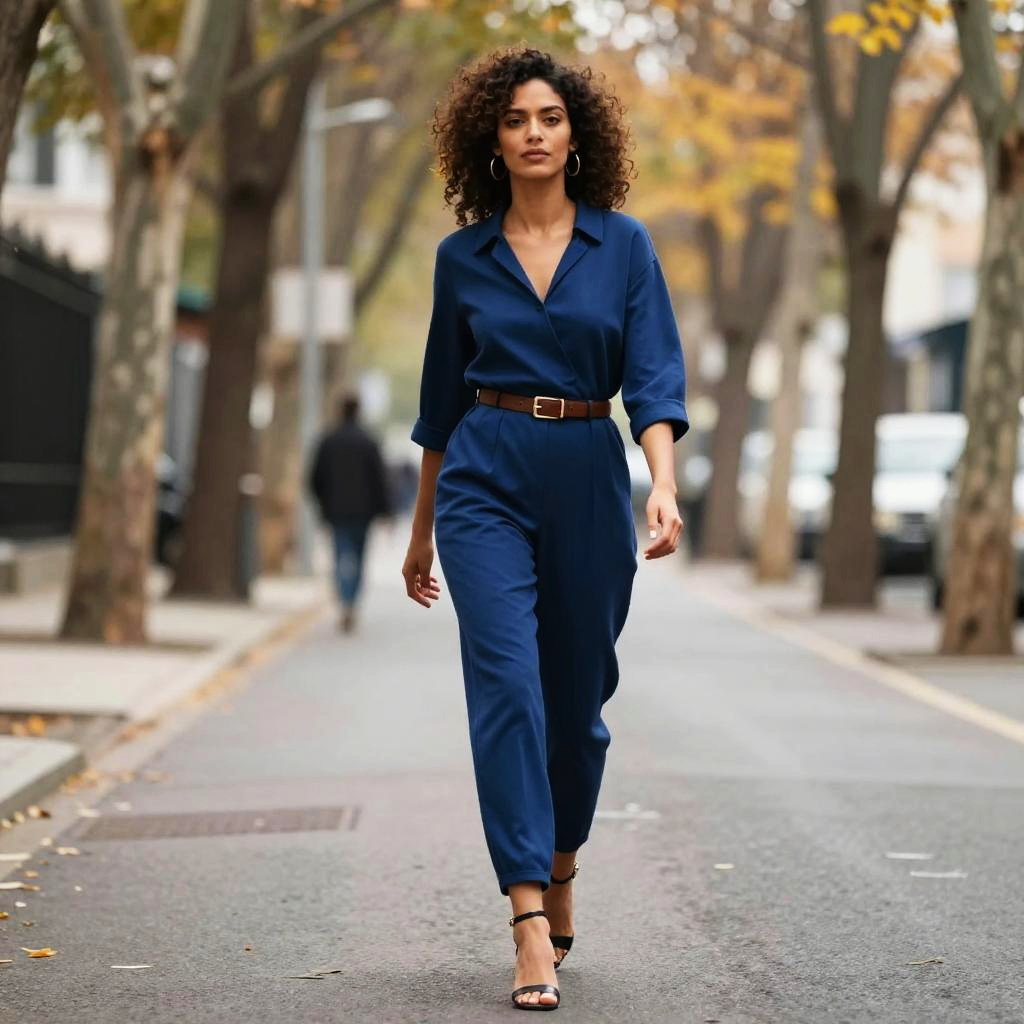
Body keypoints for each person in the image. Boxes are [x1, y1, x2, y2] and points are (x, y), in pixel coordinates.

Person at [401, 48, 687, 1011]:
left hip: (586, 476)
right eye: (517, 118)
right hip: (483, 475)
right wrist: (418, 532)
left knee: (577, 701)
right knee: (507, 688)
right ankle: (527, 914)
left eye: (551, 117)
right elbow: (439, 404)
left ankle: (561, 860)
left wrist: (663, 484)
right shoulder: (462, 259)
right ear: (491, 137)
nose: (534, 131)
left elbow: (652, 377)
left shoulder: (626, 246)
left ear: (577, 136)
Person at [310, 394, 392, 632]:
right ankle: (352, 600)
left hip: (336, 510)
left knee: (339, 555)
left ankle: (344, 599)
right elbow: (380, 479)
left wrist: (322, 502)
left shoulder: (328, 440)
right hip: (363, 512)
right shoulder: (369, 441)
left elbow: (315, 477)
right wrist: (385, 511)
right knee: (358, 556)